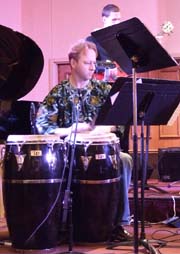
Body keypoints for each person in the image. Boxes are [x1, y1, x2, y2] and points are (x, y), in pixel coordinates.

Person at [35, 40, 133, 243]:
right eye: (87, 62)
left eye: (93, 62)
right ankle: (57, 223)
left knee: (124, 159)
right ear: (72, 63)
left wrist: (97, 130)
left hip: (101, 152)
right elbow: (41, 126)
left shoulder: (103, 90)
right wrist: (69, 130)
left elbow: (120, 122)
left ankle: (119, 224)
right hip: (68, 154)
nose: (93, 67)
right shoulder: (58, 93)